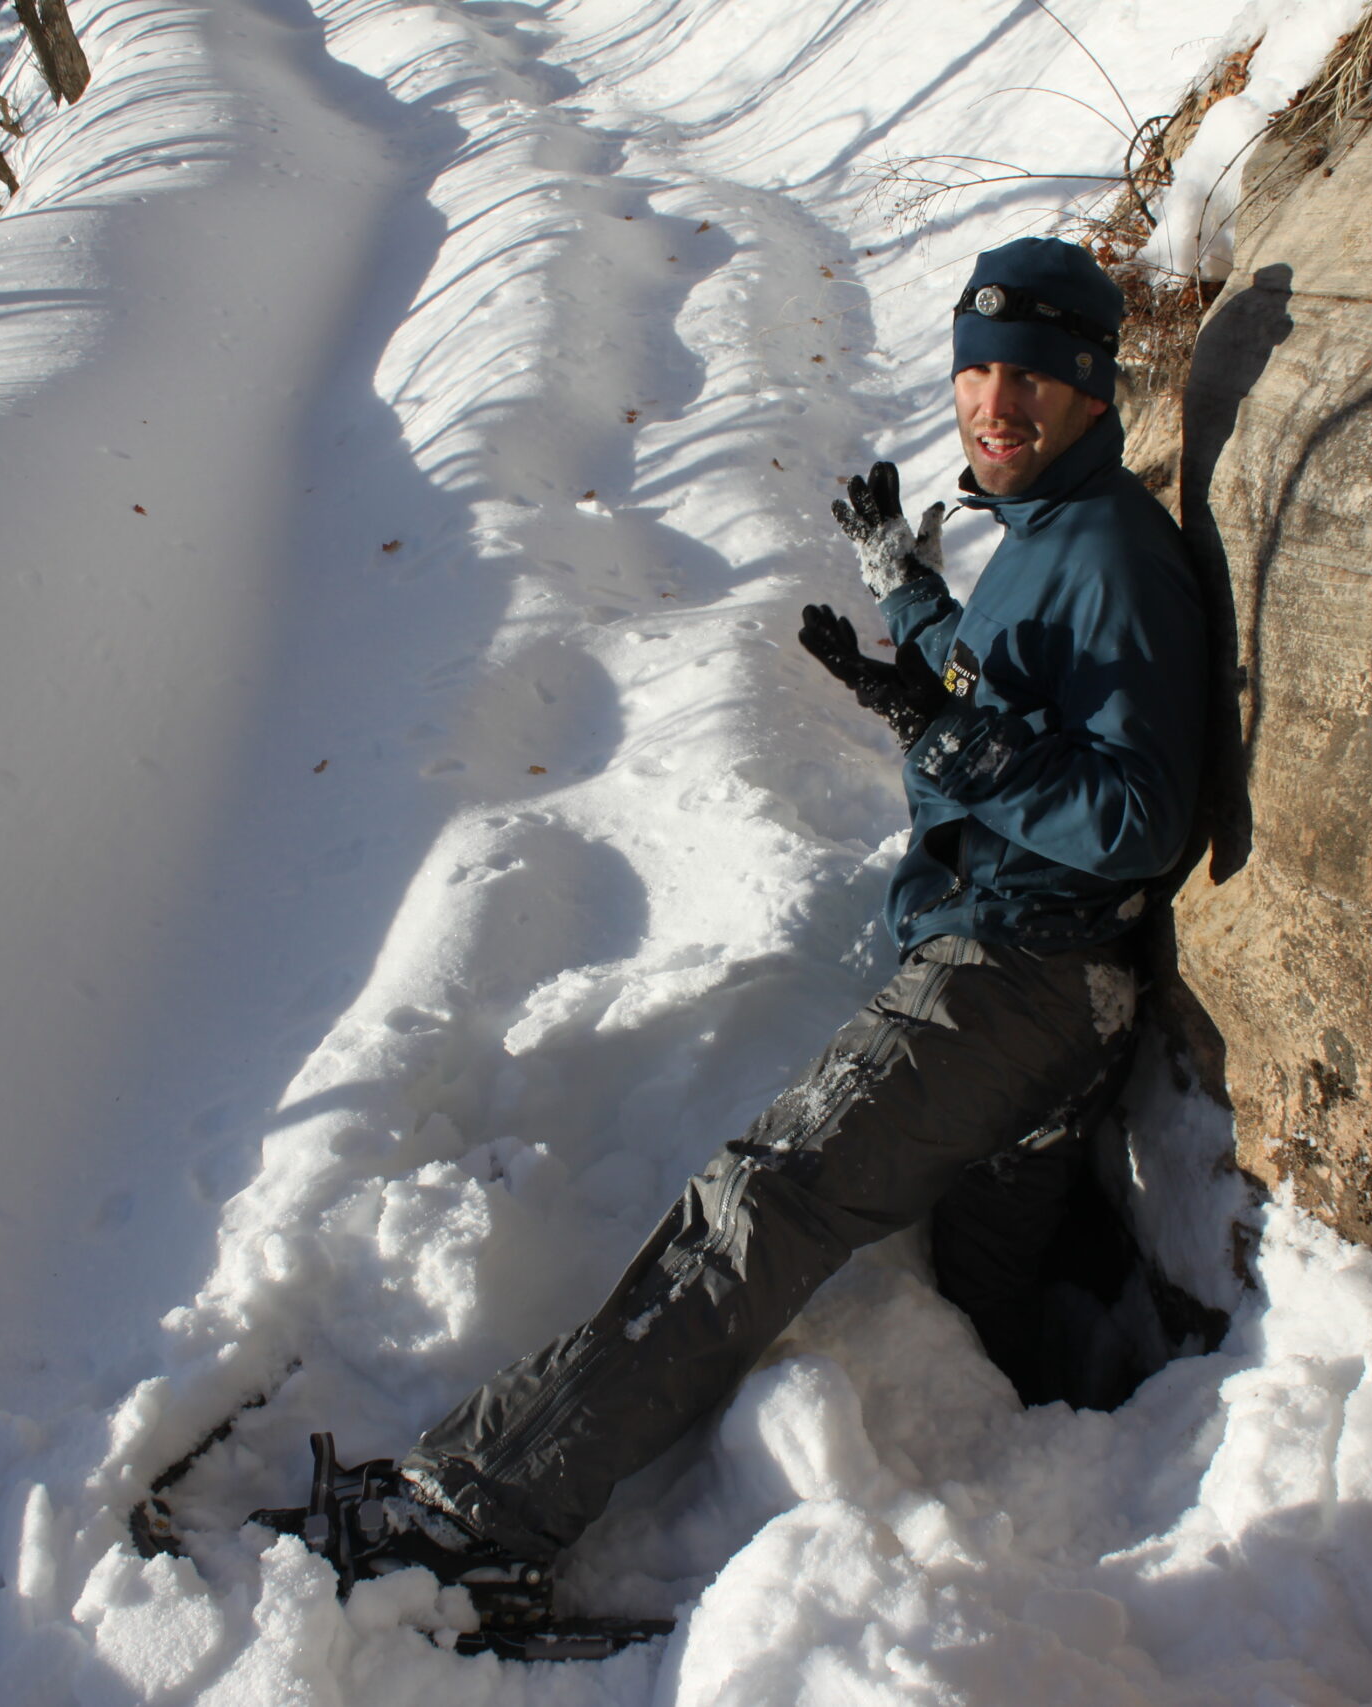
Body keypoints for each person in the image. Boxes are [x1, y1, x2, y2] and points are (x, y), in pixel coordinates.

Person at [267, 236, 1208, 1629]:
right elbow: (995, 677)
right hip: (1042, 988)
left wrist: (945, 733)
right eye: (975, 373)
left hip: (1019, 972)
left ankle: (480, 1512)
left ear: (1091, 389)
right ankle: (1040, 1484)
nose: (995, 405)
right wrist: (904, 588)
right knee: (993, 1297)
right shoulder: (1051, 536)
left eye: (1032, 379)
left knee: (767, 1203)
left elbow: (1140, 820)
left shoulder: (1113, 556)